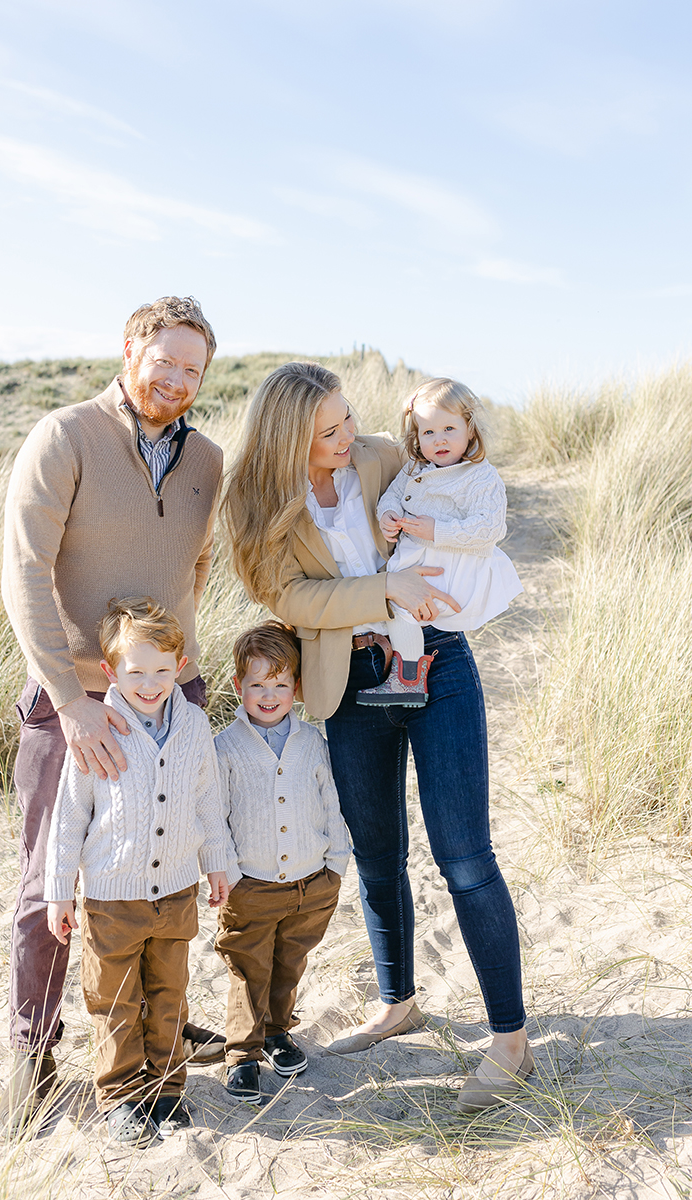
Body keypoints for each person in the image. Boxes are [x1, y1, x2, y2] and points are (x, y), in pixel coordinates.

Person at [221, 361, 532, 1114]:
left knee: (464, 853)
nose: (348, 437)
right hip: (348, 680)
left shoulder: (387, 454)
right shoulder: (260, 502)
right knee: (376, 854)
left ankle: (511, 1040)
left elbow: (466, 494)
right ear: (288, 438)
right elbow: (288, 595)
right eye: (328, 433)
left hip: (434, 659)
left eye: (349, 419)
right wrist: (384, 587)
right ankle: (399, 1005)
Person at [0, 296, 226, 1131]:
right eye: (162, 360)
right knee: (51, 881)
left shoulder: (207, 458)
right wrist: (74, 701)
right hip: (78, 702)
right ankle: (33, 1052)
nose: (174, 379)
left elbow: (194, 573)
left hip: (172, 693)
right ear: (129, 349)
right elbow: (22, 575)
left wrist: (172, 674)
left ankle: (153, 1026)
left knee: (165, 866)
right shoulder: (65, 436)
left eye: (192, 369)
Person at [45, 598, 239, 1145]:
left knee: (170, 991)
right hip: (112, 898)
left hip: (177, 890)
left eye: (162, 669)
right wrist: (60, 892)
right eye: (136, 672)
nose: (150, 683)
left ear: (180, 666)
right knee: (116, 1001)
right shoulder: (94, 727)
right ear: (110, 672)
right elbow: (68, 816)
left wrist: (216, 862)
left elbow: (207, 799)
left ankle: (166, 1088)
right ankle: (122, 1096)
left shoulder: (194, 723)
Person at [213, 621, 350, 1103]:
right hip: (251, 885)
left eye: (279, 685)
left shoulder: (312, 743)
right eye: (257, 684)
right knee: (248, 969)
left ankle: (276, 1032)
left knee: (289, 964)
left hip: (312, 883)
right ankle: (242, 1055)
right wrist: (230, 876)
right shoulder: (224, 748)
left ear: (296, 687)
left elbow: (332, 803)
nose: (268, 695)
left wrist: (336, 864)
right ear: (239, 686)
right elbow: (215, 817)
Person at [356, 377, 523, 705]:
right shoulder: (415, 469)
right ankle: (407, 675)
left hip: (451, 566)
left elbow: (489, 529)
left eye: (449, 429)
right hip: (416, 562)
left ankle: (407, 680)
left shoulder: (480, 476)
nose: (439, 440)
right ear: (416, 436)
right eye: (428, 432)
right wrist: (387, 516)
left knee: (401, 606)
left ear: (470, 429)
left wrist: (436, 530)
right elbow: (392, 497)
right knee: (395, 606)